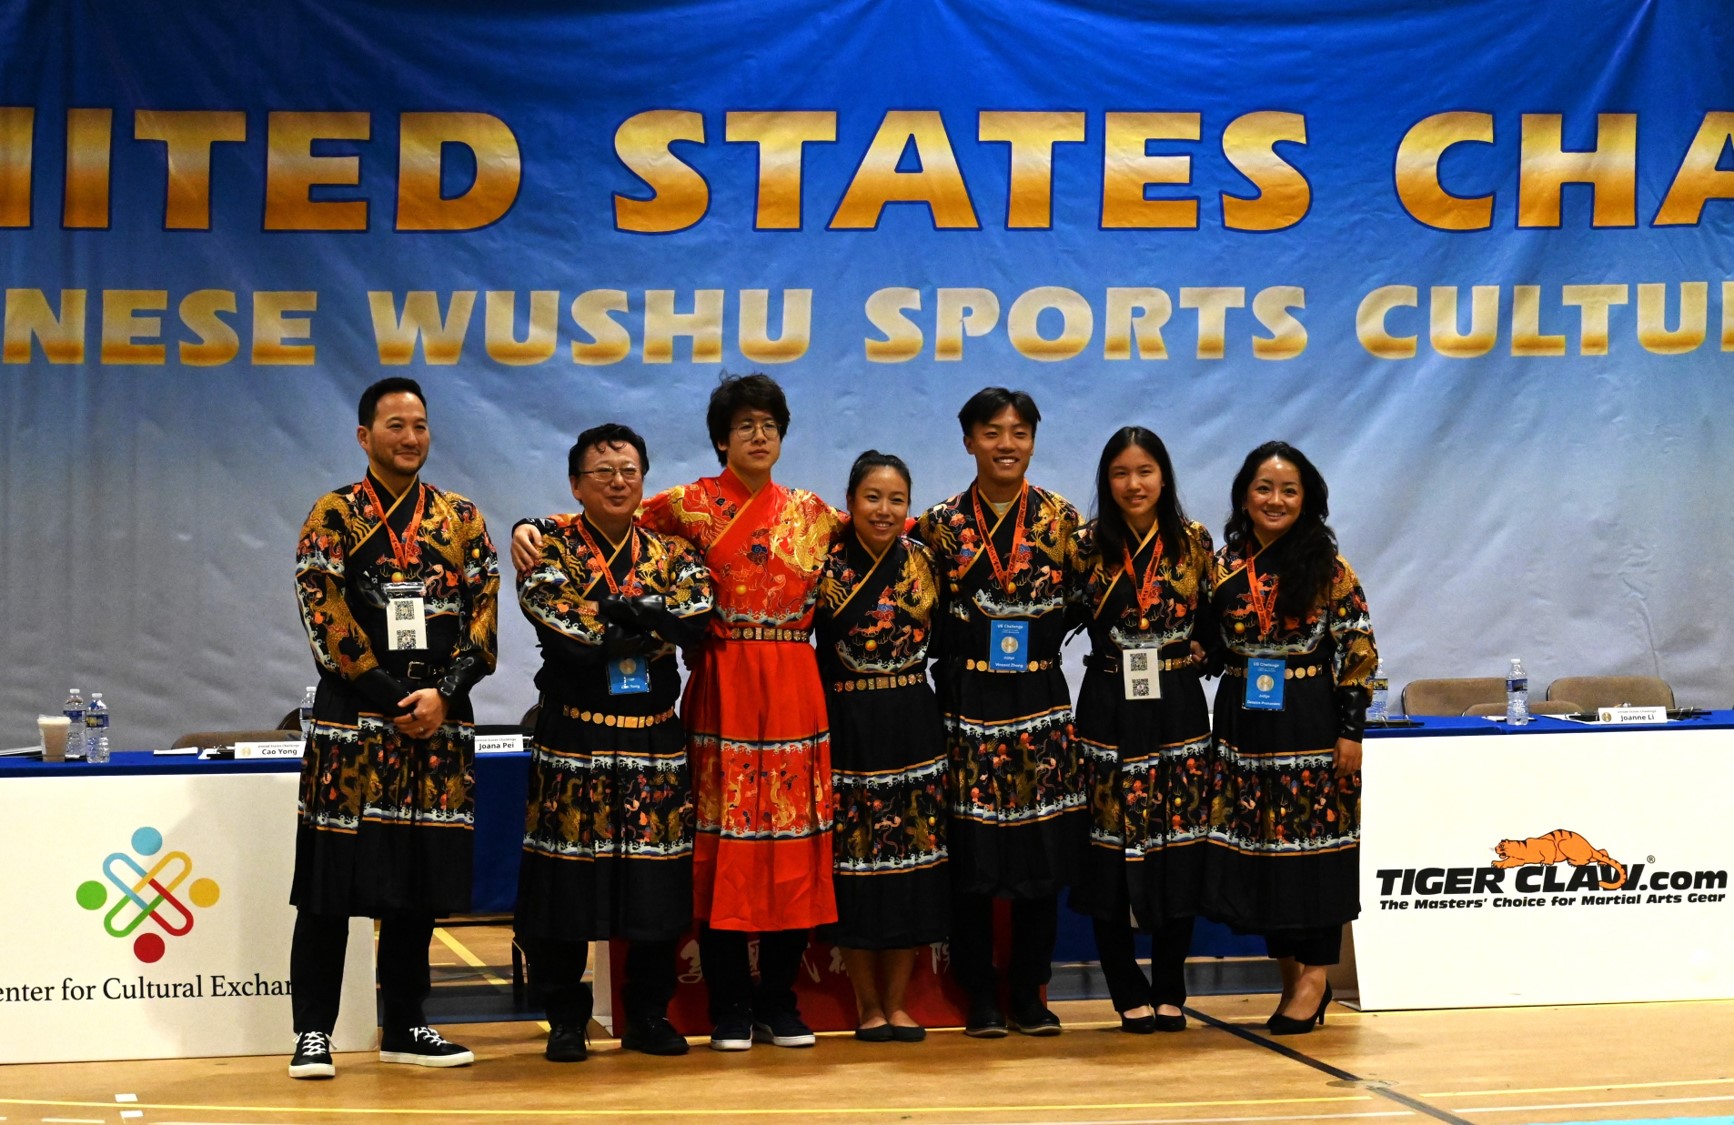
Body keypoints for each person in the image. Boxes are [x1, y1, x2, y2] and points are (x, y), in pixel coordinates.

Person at [512, 373, 839, 1052]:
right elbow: (591, 542)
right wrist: (528, 526)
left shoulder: (811, 513)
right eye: (743, 425)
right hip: (710, 687)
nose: (757, 435)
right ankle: (688, 1008)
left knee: (726, 855)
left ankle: (746, 1004)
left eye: (768, 425)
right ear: (721, 438)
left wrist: (626, 619)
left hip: (782, 688)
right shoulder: (684, 507)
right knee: (688, 852)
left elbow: (880, 525)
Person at [288, 377, 498, 1078]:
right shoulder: (335, 513)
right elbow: (323, 611)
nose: (410, 437)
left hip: (440, 720)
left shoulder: (461, 518)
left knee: (419, 880)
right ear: (364, 436)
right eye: (395, 425)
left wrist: (445, 693)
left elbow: (484, 618)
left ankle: (406, 1023)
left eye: (420, 425)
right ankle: (313, 1031)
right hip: (356, 716)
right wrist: (388, 693)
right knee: (331, 883)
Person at [514, 424, 714, 1063]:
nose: (618, 481)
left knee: (656, 880)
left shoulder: (672, 550)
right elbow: (564, 631)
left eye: (629, 470)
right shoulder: (549, 548)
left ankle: (648, 1014)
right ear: (576, 485)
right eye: (602, 472)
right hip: (574, 733)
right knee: (564, 882)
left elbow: (696, 615)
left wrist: (609, 612)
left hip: (653, 736)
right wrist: (648, 619)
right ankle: (564, 1019)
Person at [914, 387, 1083, 1037]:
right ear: (968, 441)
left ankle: (1030, 990)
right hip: (968, 699)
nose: (1006, 444)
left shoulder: (1064, 521)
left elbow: (1088, 602)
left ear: (1033, 441)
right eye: (992, 432)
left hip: (1040, 697)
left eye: (1018, 432)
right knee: (972, 852)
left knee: (1041, 850)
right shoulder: (939, 525)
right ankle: (980, 992)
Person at [1201, 440, 1377, 1036]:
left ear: (1307, 500)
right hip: (1243, 720)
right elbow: (1211, 642)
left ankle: (1315, 977)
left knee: (1316, 848)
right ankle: (1288, 975)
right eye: (1264, 488)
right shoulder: (1222, 566)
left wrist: (1350, 731)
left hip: (1310, 717)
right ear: (1244, 496)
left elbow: (1358, 650)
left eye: (1288, 490)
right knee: (1264, 855)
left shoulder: (1330, 568)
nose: (1274, 500)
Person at [1068, 427, 1213, 1034]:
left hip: (1177, 703)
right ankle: (1125, 985)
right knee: (1108, 841)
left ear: (1164, 476)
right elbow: (1055, 617)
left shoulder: (1194, 541)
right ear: (1107, 480)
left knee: (1178, 839)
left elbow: (1217, 622)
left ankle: (1171, 984)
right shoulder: (1083, 545)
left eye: (1145, 471)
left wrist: (1206, 648)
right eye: (1121, 473)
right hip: (1107, 699)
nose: (1134, 484)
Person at [814, 451, 949, 1043]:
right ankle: (867, 1005)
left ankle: (898, 1003)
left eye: (897, 499)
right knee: (857, 864)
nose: (884, 510)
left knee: (911, 863)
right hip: (847, 722)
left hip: (913, 720)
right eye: (873, 497)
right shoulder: (823, 562)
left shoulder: (925, 559)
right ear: (850, 502)